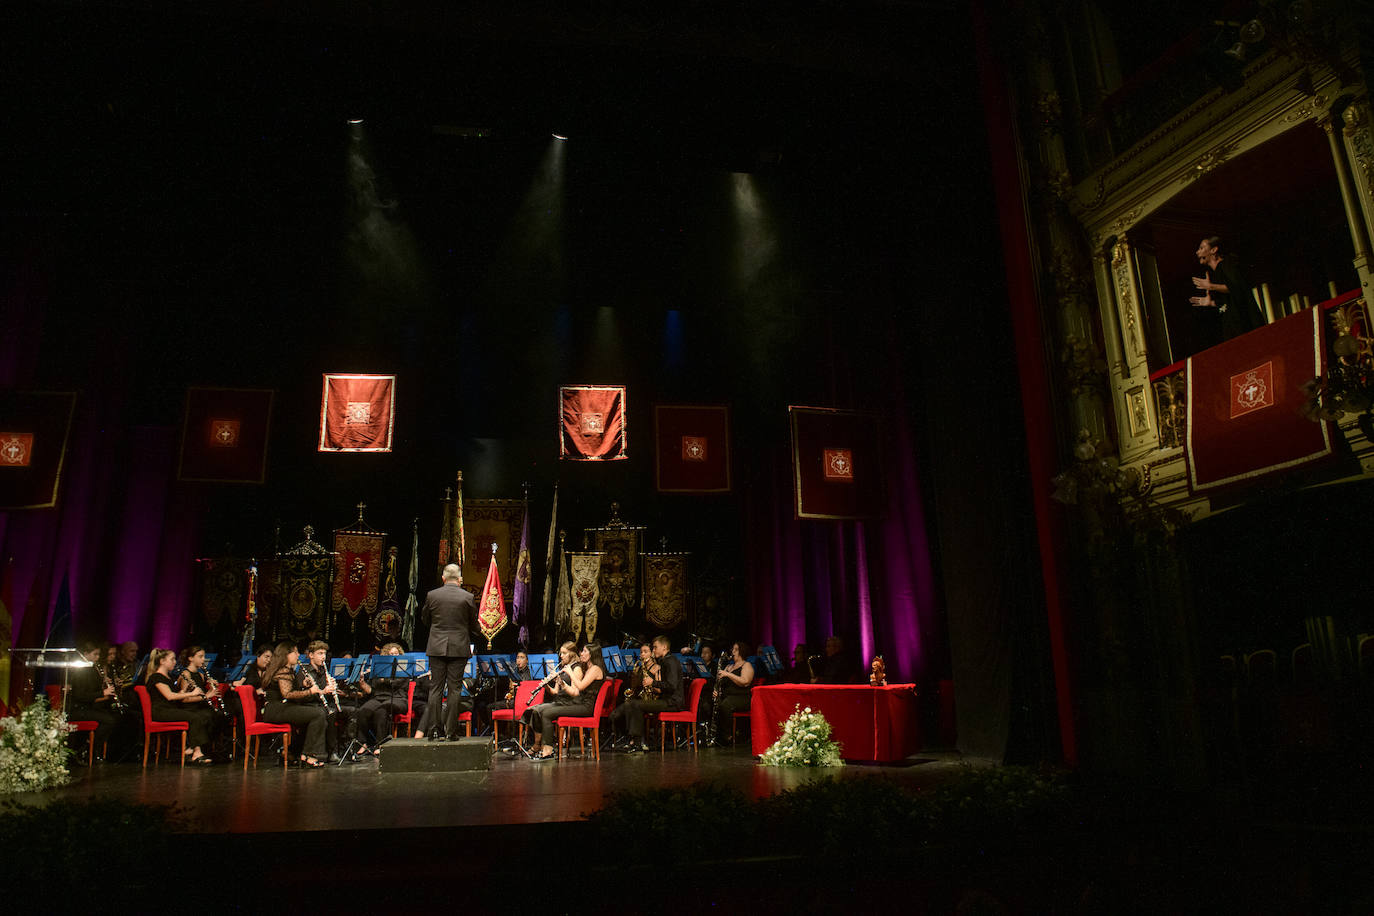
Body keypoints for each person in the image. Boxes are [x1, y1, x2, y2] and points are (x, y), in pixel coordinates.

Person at [414, 563, 479, 742]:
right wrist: (473, 631)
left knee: (435, 689)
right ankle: (451, 732)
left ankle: (434, 731)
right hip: (459, 647)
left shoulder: (432, 595)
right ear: (459, 579)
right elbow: (474, 625)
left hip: (436, 646)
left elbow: (425, 619)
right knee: (454, 689)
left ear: (443, 578)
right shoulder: (467, 597)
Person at [522, 642, 604, 761]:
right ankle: (544, 748)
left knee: (547, 713)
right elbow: (576, 692)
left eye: (585, 651)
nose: (582, 653)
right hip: (580, 704)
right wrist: (562, 684)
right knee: (542, 711)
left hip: (586, 706)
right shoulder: (589, 668)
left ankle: (548, 750)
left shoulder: (595, 669)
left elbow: (580, 687)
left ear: (592, 654)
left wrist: (570, 672)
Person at [260, 641, 329, 768]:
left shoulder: (287, 670)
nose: (298, 655)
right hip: (277, 709)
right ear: (286, 654)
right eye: (295, 652)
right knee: (317, 714)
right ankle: (308, 755)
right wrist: (310, 691)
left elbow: (290, 691)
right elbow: (287, 694)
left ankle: (291, 752)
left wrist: (303, 685)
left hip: (280, 708)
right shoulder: (282, 671)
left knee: (316, 715)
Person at [1189, 235, 1264, 351]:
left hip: (1245, 327)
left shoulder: (1226, 265)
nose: (1197, 252)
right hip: (1233, 329)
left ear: (1214, 250)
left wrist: (1211, 286)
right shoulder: (1216, 273)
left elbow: (1237, 288)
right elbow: (1227, 301)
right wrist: (1211, 303)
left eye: (1201, 248)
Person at [144, 648, 216, 765]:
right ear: (162, 661)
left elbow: (176, 695)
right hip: (161, 711)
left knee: (199, 715)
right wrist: (192, 693)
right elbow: (169, 696)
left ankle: (191, 748)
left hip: (169, 710)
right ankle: (196, 752)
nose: (174, 662)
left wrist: (183, 692)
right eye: (172, 659)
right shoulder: (156, 677)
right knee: (194, 717)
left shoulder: (168, 677)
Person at [623, 635, 684, 754]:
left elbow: (671, 685)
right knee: (634, 703)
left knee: (636, 704)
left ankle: (637, 743)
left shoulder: (670, 661)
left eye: (655, 647)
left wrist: (653, 682)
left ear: (665, 647)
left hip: (672, 702)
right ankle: (637, 741)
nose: (654, 650)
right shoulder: (665, 661)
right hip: (667, 700)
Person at [68, 641, 124, 761]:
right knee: (109, 720)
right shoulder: (80, 671)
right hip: (78, 709)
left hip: (88, 707)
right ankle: (86, 748)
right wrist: (102, 693)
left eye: (98, 655)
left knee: (112, 717)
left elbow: (92, 690)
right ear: (85, 654)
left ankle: (91, 748)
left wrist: (105, 684)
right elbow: (80, 695)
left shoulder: (92, 669)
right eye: (95, 654)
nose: (97, 658)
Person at [354, 642, 410, 754]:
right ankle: (363, 742)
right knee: (363, 711)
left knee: (382, 710)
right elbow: (373, 690)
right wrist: (363, 684)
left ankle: (380, 745)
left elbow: (395, 683)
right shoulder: (378, 669)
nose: (395, 656)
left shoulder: (403, 669)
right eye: (391, 653)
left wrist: (383, 679)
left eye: (396, 653)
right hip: (379, 698)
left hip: (398, 698)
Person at [705, 641, 755, 747]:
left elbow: (745, 682)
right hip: (728, 696)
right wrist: (716, 692)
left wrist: (728, 674)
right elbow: (721, 684)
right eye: (733, 649)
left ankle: (727, 736)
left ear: (742, 651)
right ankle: (713, 735)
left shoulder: (747, 665)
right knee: (709, 704)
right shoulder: (728, 666)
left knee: (726, 704)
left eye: (735, 649)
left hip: (742, 697)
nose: (732, 651)